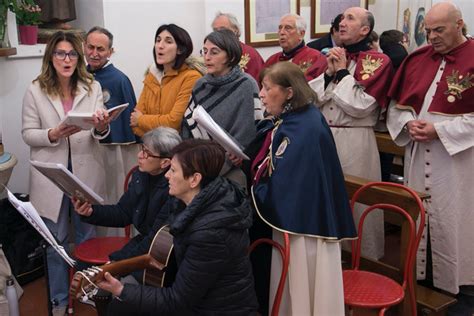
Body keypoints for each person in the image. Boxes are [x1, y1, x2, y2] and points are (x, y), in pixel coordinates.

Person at [96, 139, 259, 316]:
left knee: (122, 305)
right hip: (196, 299)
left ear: (194, 179)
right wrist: (119, 265)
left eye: (173, 170)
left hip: (217, 310)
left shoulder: (210, 234)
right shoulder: (189, 201)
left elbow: (177, 301)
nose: (167, 175)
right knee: (120, 307)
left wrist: (121, 289)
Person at [249, 62, 356, 315]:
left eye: (266, 88)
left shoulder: (304, 127)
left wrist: (254, 191)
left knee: (303, 284)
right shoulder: (295, 119)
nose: (261, 94)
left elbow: (287, 188)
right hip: (299, 220)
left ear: (289, 92)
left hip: (305, 228)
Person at [387, 3, 474, 314]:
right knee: (420, 220)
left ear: (460, 25)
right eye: (428, 31)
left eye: (439, 30)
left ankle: (462, 291)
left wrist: (441, 130)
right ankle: (420, 284)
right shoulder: (417, 59)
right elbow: (396, 107)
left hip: (459, 162)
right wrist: (407, 124)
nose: (432, 36)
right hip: (417, 151)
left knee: (456, 224)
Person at [21, 31, 110, 316]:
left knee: (87, 237)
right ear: (51, 57)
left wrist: (100, 126)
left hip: (86, 170)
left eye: (72, 54)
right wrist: (54, 133)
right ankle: (59, 300)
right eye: (60, 53)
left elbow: (101, 133)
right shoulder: (35, 89)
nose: (67, 59)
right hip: (52, 175)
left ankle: (85, 292)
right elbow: (28, 134)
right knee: (55, 241)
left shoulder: (91, 85)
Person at [309, 7, 392, 260]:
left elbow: (361, 106)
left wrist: (343, 72)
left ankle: (363, 260)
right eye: (342, 18)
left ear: (365, 30)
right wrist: (329, 74)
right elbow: (313, 99)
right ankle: (329, 261)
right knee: (325, 199)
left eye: (350, 19)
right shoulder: (332, 57)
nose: (342, 23)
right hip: (325, 136)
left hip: (356, 139)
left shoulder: (379, 61)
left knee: (357, 202)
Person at [72, 127, 181, 281]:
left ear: (165, 162)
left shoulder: (174, 189)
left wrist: (116, 265)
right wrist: (91, 212)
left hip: (164, 256)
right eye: (142, 148)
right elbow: (123, 212)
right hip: (145, 246)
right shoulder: (140, 175)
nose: (139, 155)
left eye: (147, 153)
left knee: (117, 287)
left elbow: (154, 240)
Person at [181, 29, 263, 187]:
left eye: (214, 52)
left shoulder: (246, 84)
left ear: (230, 56)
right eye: (204, 51)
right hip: (199, 163)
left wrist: (235, 153)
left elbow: (248, 133)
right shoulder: (200, 85)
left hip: (233, 168)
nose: (207, 57)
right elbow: (189, 125)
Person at [85, 26, 140, 204]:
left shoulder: (119, 80)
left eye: (100, 49)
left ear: (110, 51)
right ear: (84, 47)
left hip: (113, 151)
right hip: (84, 148)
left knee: (112, 195)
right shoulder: (79, 76)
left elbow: (128, 123)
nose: (94, 53)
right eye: (90, 47)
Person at [131, 24, 203, 137]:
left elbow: (173, 123)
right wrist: (142, 122)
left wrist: (141, 120)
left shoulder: (191, 77)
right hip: (151, 149)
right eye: (158, 40)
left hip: (178, 150)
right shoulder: (151, 76)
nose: (160, 46)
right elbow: (134, 124)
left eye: (168, 42)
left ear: (180, 49)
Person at [264, 14, 327, 81]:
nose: (281, 32)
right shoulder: (271, 61)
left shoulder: (316, 58)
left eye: (288, 28)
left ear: (301, 34)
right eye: (280, 28)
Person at [211, 11, 264, 82]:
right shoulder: (211, 54)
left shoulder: (249, 54)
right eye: (215, 30)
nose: (218, 34)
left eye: (223, 29)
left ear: (235, 30)